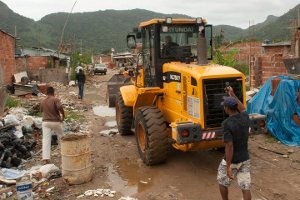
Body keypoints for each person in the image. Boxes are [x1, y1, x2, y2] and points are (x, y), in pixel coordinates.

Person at [217, 86, 252, 200]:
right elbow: (242, 108)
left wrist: (228, 166)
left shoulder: (227, 123)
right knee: (245, 187)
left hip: (233, 160)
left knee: (222, 182)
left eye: (225, 107)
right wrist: (232, 93)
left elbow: (229, 145)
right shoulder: (245, 117)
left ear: (227, 108)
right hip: (245, 158)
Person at [40, 86, 65, 164]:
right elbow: (60, 108)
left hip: (46, 122)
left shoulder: (43, 101)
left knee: (46, 140)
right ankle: (64, 153)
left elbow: (41, 110)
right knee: (61, 137)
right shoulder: (55, 99)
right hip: (56, 121)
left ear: (47, 92)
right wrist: (63, 116)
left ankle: (45, 158)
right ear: (53, 92)